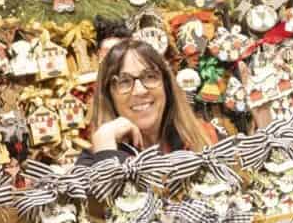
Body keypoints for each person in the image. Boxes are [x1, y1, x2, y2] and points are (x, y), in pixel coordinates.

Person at [90, 38, 218, 156]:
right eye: (124, 81)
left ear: (166, 85)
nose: (140, 91)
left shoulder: (209, 138)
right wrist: (105, 148)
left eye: (150, 76)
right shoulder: (90, 163)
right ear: (109, 96)